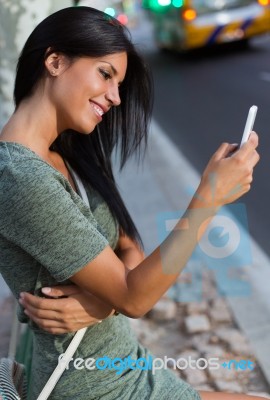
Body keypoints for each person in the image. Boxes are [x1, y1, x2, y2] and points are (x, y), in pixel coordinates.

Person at [0, 6, 263, 400]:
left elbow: (129, 248)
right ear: (55, 61)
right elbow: (136, 296)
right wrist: (209, 198)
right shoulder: (20, 178)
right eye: (106, 74)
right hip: (91, 387)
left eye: (119, 83)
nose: (116, 97)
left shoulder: (68, 152)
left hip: (128, 368)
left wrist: (101, 304)